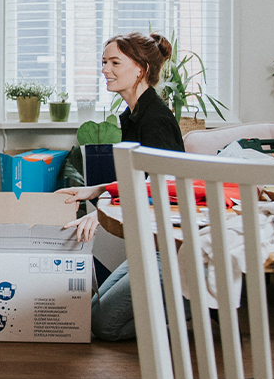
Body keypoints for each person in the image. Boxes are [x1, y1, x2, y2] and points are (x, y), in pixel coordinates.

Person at [58, 31, 184, 341]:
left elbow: (162, 186)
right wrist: (97, 190)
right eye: (104, 62)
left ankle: (193, 303)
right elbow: (140, 177)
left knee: (104, 325)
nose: (105, 69)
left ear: (141, 69)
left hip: (175, 251)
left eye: (115, 62)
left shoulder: (156, 119)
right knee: (92, 312)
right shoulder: (133, 115)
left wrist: (99, 214)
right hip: (152, 246)